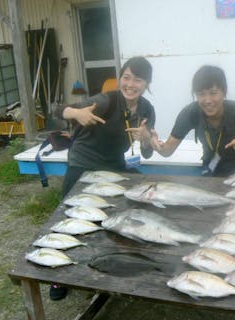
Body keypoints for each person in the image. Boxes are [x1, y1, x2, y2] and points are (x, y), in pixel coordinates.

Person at [51, 56, 155, 300]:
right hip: (83, 163)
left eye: (137, 79)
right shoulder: (105, 100)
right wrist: (76, 113)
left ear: (147, 83)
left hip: (114, 164)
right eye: (126, 77)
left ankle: (107, 262)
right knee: (69, 214)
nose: (130, 84)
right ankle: (57, 277)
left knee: (118, 212)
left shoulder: (147, 110)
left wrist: (146, 138)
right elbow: (57, 112)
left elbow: (148, 152)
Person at [150, 65, 235, 176]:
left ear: (224, 92)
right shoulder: (191, 113)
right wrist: (153, 142)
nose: (208, 100)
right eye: (201, 94)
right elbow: (167, 151)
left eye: (213, 93)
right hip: (211, 166)